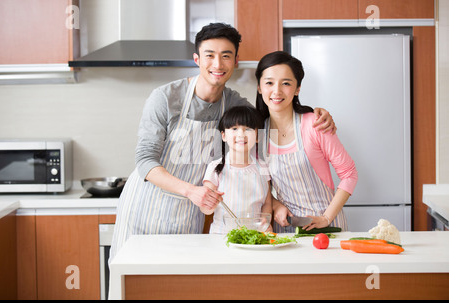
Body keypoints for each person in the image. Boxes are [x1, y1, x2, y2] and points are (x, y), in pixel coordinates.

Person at [109, 23, 335, 262]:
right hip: (146, 207)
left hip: (190, 214)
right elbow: (145, 160)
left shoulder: (235, 105)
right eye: (210, 56)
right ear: (197, 59)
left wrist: (313, 115)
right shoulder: (165, 98)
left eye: (226, 56)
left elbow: (277, 121)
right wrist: (191, 190)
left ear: (235, 61)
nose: (217, 65)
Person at [255, 51, 358, 233]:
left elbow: (349, 173)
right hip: (287, 229)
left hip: (327, 227)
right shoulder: (258, 133)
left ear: (297, 89)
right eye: (269, 83)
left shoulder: (315, 124)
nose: (277, 91)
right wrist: (276, 205)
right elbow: (260, 183)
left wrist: (326, 218)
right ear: (259, 87)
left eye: (286, 83)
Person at [200, 106, 272, 234]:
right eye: (234, 129)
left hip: (255, 235)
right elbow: (206, 208)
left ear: (257, 136)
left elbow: (267, 203)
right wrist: (208, 203)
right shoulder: (215, 168)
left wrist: (265, 221)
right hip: (221, 235)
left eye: (248, 129)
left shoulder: (262, 167)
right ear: (223, 136)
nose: (241, 134)